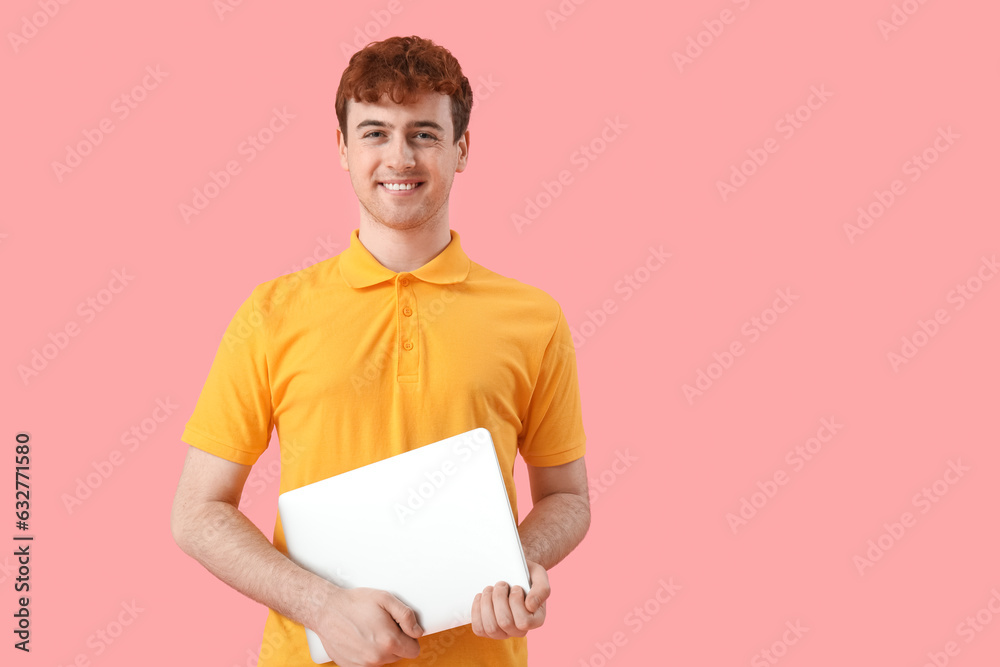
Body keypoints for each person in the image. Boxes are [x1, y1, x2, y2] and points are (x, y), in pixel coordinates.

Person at [170, 35, 590, 667]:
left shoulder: (534, 318)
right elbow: (197, 512)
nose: (400, 156)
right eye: (374, 132)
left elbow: (567, 496)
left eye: (424, 132)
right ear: (342, 149)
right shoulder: (271, 313)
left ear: (461, 148)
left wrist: (519, 561)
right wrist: (319, 606)